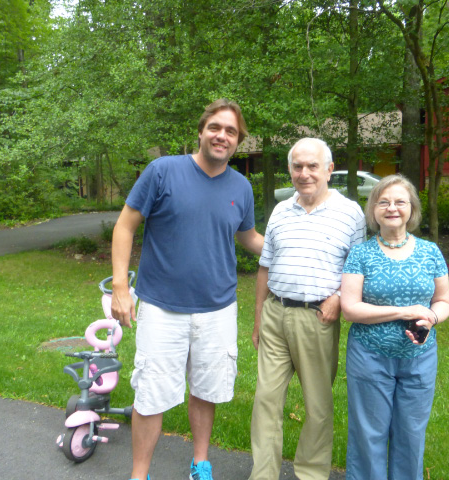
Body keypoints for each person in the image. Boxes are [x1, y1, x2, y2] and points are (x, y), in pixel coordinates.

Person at [111, 99, 264, 480]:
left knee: (206, 390)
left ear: (238, 141)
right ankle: (139, 474)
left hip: (218, 308)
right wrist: (120, 286)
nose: (222, 136)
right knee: (150, 394)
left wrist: (292, 249)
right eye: (215, 127)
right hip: (162, 308)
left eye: (231, 131)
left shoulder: (241, 187)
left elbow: (248, 237)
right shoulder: (163, 171)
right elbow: (125, 226)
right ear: (200, 131)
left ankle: (200, 463)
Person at [249, 138, 366, 480]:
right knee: (266, 399)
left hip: (316, 318)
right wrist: (258, 320)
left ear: (329, 170)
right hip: (275, 314)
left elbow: (358, 269)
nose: (304, 173)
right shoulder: (281, 210)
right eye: (297, 166)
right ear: (290, 170)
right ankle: (263, 475)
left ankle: (311, 474)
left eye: (312, 166)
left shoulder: (350, 213)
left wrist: (339, 298)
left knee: (317, 405)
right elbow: (265, 268)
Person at [340, 174, 449, 480]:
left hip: (419, 357)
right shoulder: (361, 254)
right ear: (373, 209)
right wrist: (405, 311)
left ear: (411, 208)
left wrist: (431, 318)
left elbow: (443, 300)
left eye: (400, 201)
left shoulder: (431, 252)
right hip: (369, 355)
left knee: (411, 433)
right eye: (384, 202)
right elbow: (350, 309)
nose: (392, 208)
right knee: (369, 432)